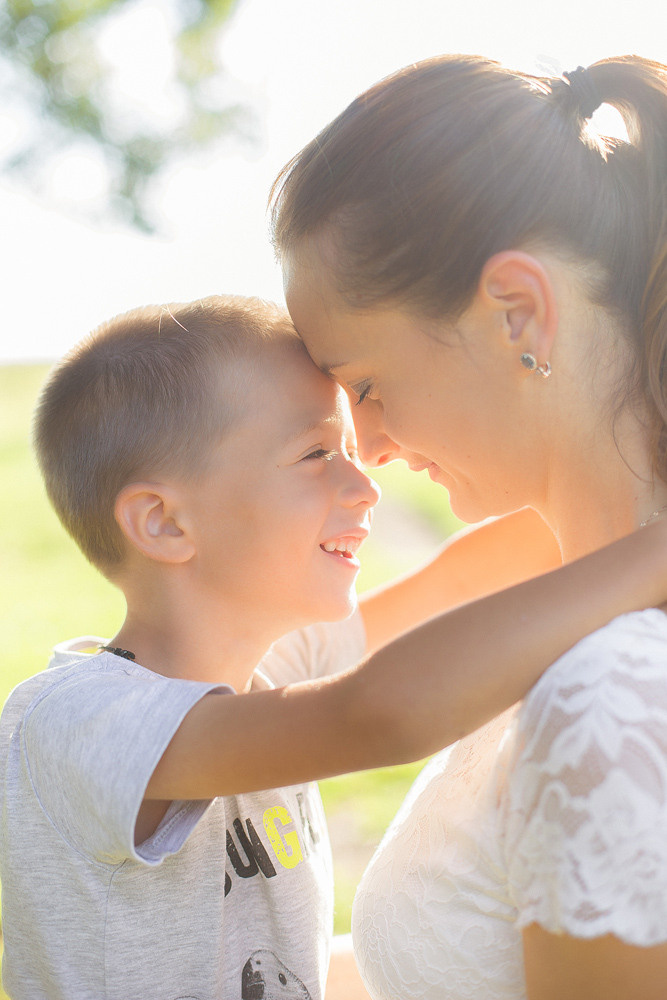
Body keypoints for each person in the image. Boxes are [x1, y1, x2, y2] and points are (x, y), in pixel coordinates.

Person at [2, 296, 666, 1000]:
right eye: (317, 453)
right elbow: (381, 713)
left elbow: (460, 581)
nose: (365, 484)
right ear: (164, 522)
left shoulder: (265, 669)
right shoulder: (73, 723)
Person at [272, 53, 667, 1000]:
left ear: (516, 313)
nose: (363, 444)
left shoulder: (609, 703)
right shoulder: (547, 581)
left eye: (365, 385)